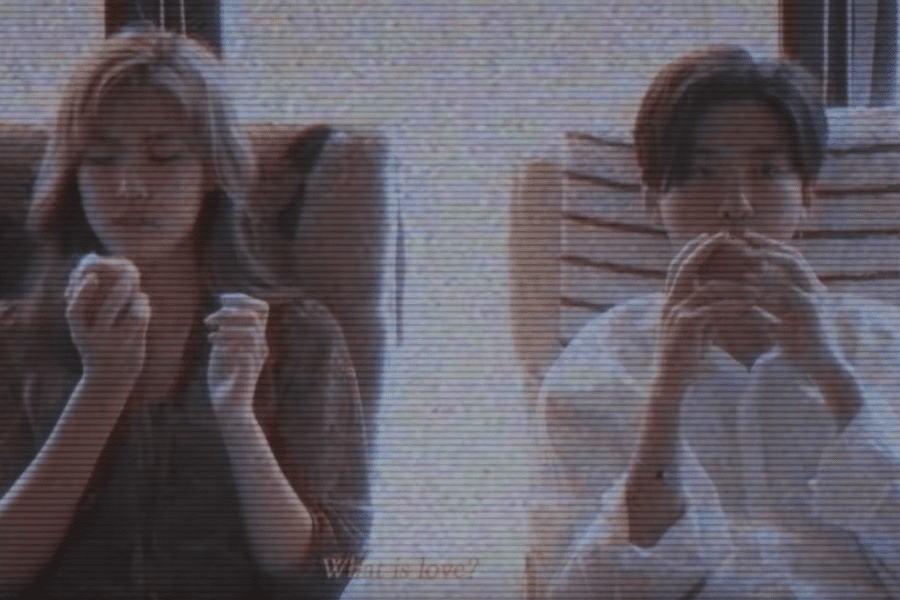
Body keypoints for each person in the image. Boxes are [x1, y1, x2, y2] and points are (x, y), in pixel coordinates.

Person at [0, 29, 369, 599]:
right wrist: (103, 384)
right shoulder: (15, 340)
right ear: (74, 175)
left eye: (165, 157)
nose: (130, 186)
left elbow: (324, 574)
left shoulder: (298, 336)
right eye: (101, 159)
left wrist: (239, 419)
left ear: (213, 169)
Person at [539, 46, 900, 599]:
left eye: (767, 171)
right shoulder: (598, 364)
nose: (736, 205)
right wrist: (666, 392)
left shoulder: (887, 343)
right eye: (702, 173)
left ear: (808, 198)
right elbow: (585, 589)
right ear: (653, 200)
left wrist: (831, 374)